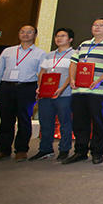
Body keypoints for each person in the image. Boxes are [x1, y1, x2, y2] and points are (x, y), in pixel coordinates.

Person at [64, 18, 103, 165]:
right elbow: (74, 63)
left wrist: (99, 80)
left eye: (101, 25)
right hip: (79, 89)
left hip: (99, 90)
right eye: (95, 25)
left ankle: (97, 152)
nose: (97, 27)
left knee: (99, 122)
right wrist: (72, 79)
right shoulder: (84, 44)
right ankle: (80, 151)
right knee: (79, 122)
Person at [0, 25, 46, 163]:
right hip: (7, 87)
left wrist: (39, 90)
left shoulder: (40, 53)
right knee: (6, 119)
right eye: (23, 32)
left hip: (27, 88)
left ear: (35, 35)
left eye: (29, 32)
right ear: (19, 34)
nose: (25, 34)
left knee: (24, 119)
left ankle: (21, 150)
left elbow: (41, 75)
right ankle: (2, 150)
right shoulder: (8, 51)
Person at [30, 28, 75, 162]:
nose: (59, 38)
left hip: (64, 94)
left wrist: (62, 88)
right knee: (45, 122)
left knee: (65, 123)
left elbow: (72, 74)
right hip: (46, 95)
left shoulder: (75, 54)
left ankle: (64, 149)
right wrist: (40, 87)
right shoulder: (49, 55)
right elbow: (42, 72)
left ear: (70, 39)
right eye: (57, 36)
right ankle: (45, 149)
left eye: (63, 36)